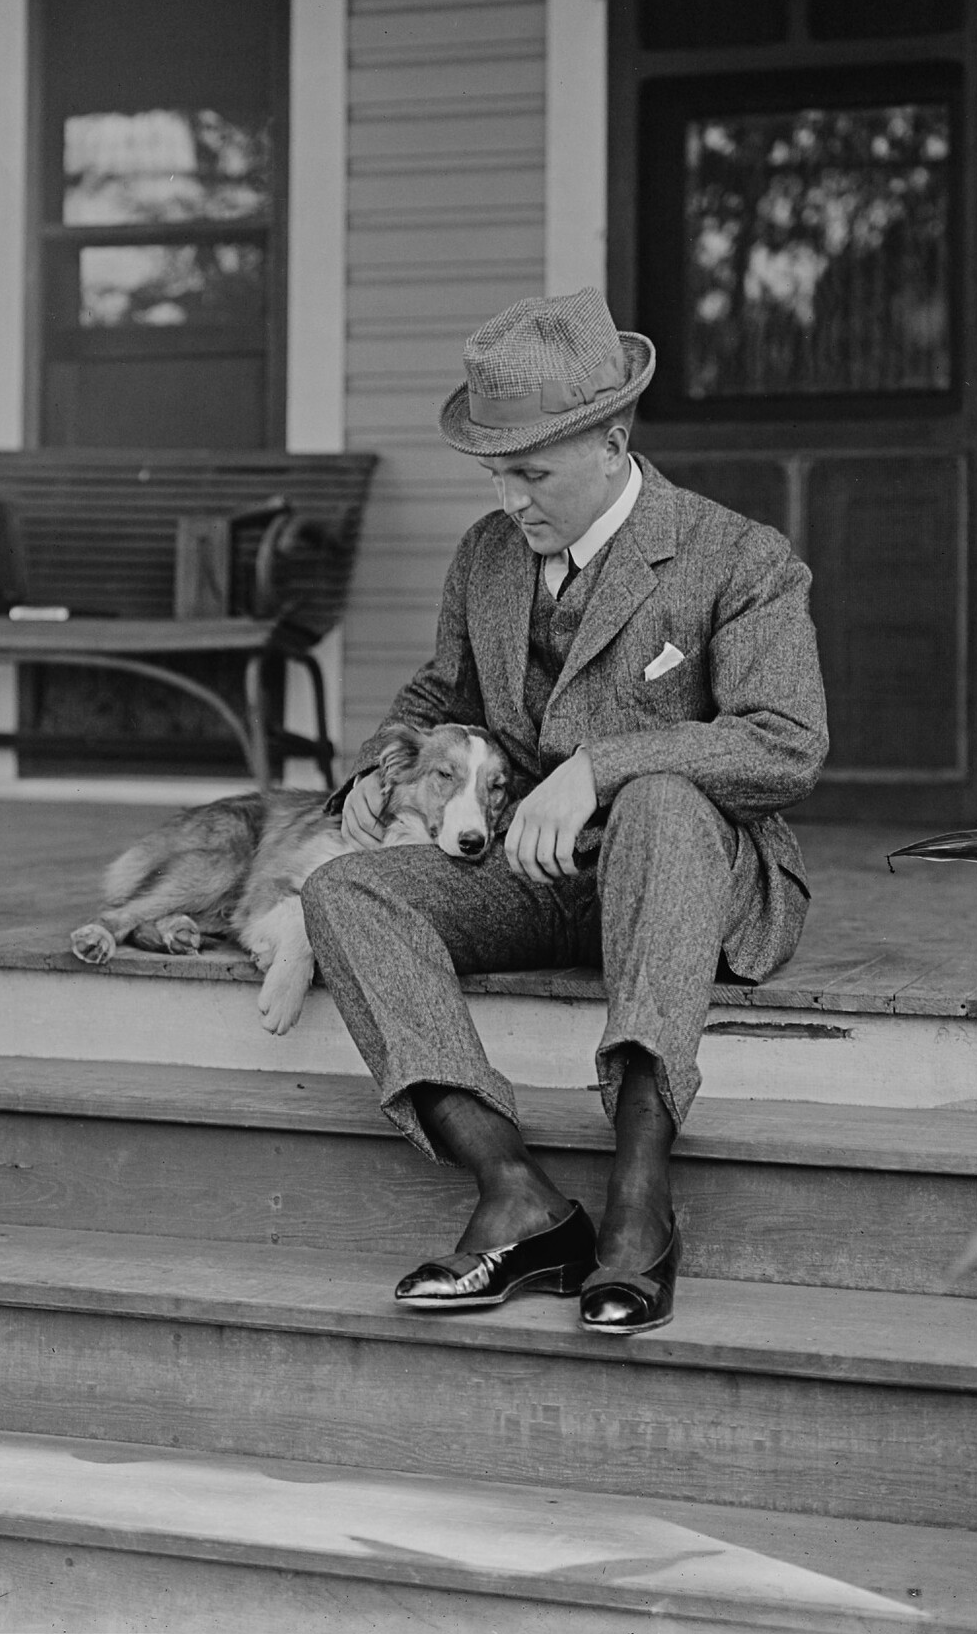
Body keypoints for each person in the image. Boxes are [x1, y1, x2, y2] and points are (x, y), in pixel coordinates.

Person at [301, 286, 828, 1334]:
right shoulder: (486, 559)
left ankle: (638, 1203)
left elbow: (785, 742)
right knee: (344, 888)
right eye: (494, 472)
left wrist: (601, 766)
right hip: (531, 880)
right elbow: (433, 699)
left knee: (667, 800)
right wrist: (371, 773)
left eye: (530, 472)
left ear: (611, 440)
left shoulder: (738, 556)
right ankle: (514, 1193)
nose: (509, 499)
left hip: (685, 884)